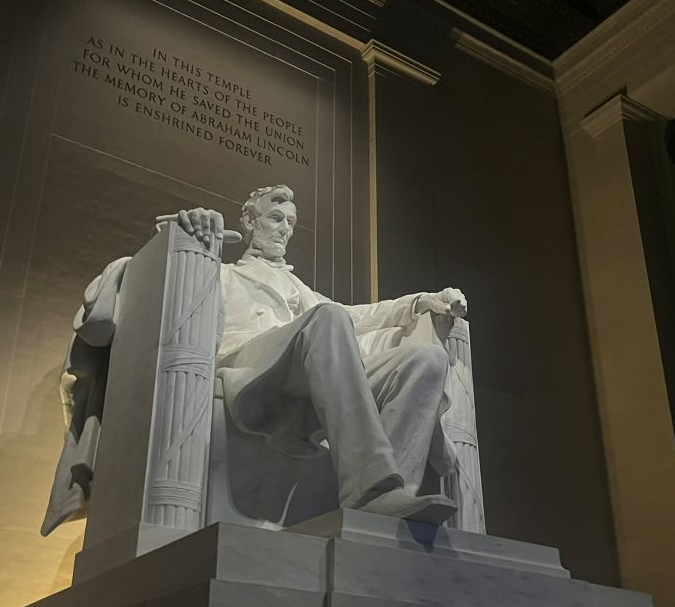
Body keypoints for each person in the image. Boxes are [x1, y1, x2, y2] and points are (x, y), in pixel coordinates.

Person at [175, 184, 468, 524]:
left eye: (290, 222)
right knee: (329, 318)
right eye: (275, 217)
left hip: (305, 372)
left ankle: (388, 505)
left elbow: (360, 316)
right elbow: (164, 281)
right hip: (251, 363)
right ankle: (369, 489)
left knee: (426, 361)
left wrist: (419, 302)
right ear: (249, 221)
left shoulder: (304, 293)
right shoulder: (224, 273)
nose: (285, 228)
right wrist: (191, 231)